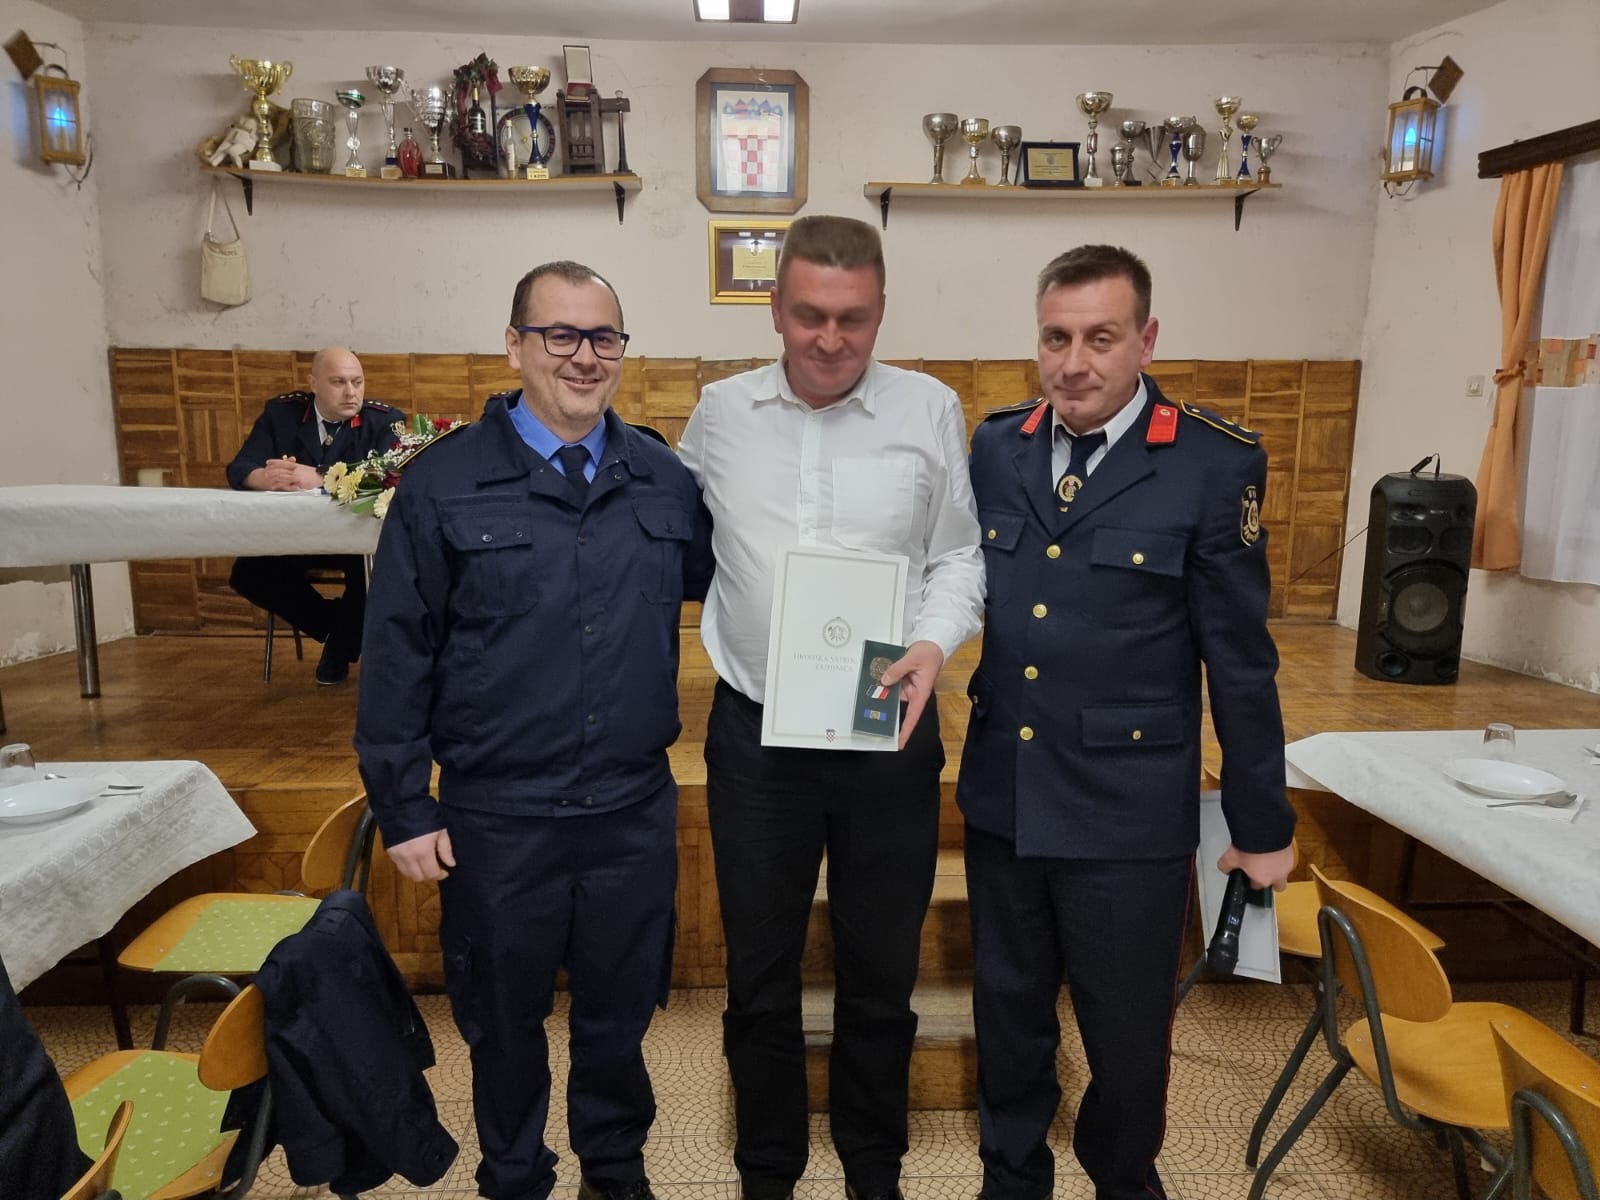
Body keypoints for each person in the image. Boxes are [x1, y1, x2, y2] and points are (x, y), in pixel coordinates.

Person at [354, 261, 713, 1200]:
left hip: (629, 809)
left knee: (618, 1019)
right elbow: (396, 652)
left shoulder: (664, 480)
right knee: (502, 1024)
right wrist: (403, 806)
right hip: (499, 816)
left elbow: (742, 593)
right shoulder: (442, 484)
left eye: (604, 337)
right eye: (561, 335)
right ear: (515, 346)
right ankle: (513, 1174)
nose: (584, 357)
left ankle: (616, 1171)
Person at [957, 243, 1296, 1200]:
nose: (1074, 363)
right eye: (1055, 339)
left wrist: (1261, 823)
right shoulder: (997, 447)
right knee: (1008, 1020)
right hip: (1007, 796)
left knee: (1127, 1040)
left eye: (1100, 338)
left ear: (1146, 341)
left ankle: (1122, 1180)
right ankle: (1009, 1180)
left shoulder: (1210, 463)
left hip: (1127, 813)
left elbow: (1241, 661)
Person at [678, 214, 985, 1200]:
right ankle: (767, 1165)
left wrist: (933, 644)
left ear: (881, 311)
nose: (830, 338)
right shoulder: (721, 413)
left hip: (886, 731)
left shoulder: (929, 409)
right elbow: (676, 538)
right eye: (809, 314)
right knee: (759, 972)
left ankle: (872, 1162)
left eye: (853, 318)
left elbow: (958, 555)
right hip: (755, 737)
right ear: (774, 308)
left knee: (881, 969)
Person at [226, 346, 403, 685]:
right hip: (296, 536)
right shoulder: (282, 414)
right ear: (314, 384)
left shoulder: (383, 420)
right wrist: (264, 477)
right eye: (338, 382)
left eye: (357, 382)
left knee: (375, 574)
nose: (351, 392)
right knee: (248, 573)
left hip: (355, 539)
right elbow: (240, 466)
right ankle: (338, 631)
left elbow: (389, 472)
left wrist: (320, 477)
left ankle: (339, 649)